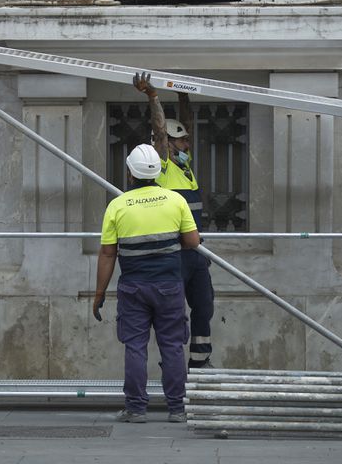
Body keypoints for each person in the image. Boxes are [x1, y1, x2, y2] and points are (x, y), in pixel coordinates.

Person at [93, 144, 200, 423]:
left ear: (130, 174)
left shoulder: (117, 205)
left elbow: (107, 254)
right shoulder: (176, 200)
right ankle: (177, 408)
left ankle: (136, 408)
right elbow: (192, 241)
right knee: (173, 346)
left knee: (135, 347)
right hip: (169, 286)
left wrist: (99, 293)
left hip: (133, 288)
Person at [132, 72, 216, 369]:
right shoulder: (164, 164)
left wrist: (183, 92)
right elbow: (160, 130)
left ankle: (200, 361)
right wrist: (153, 97)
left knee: (204, 307)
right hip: (174, 254)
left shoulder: (184, 164)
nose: (187, 142)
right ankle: (174, 365)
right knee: (174, 313)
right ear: (168, 143)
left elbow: (186, 124)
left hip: (197, 253)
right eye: (181, 139)